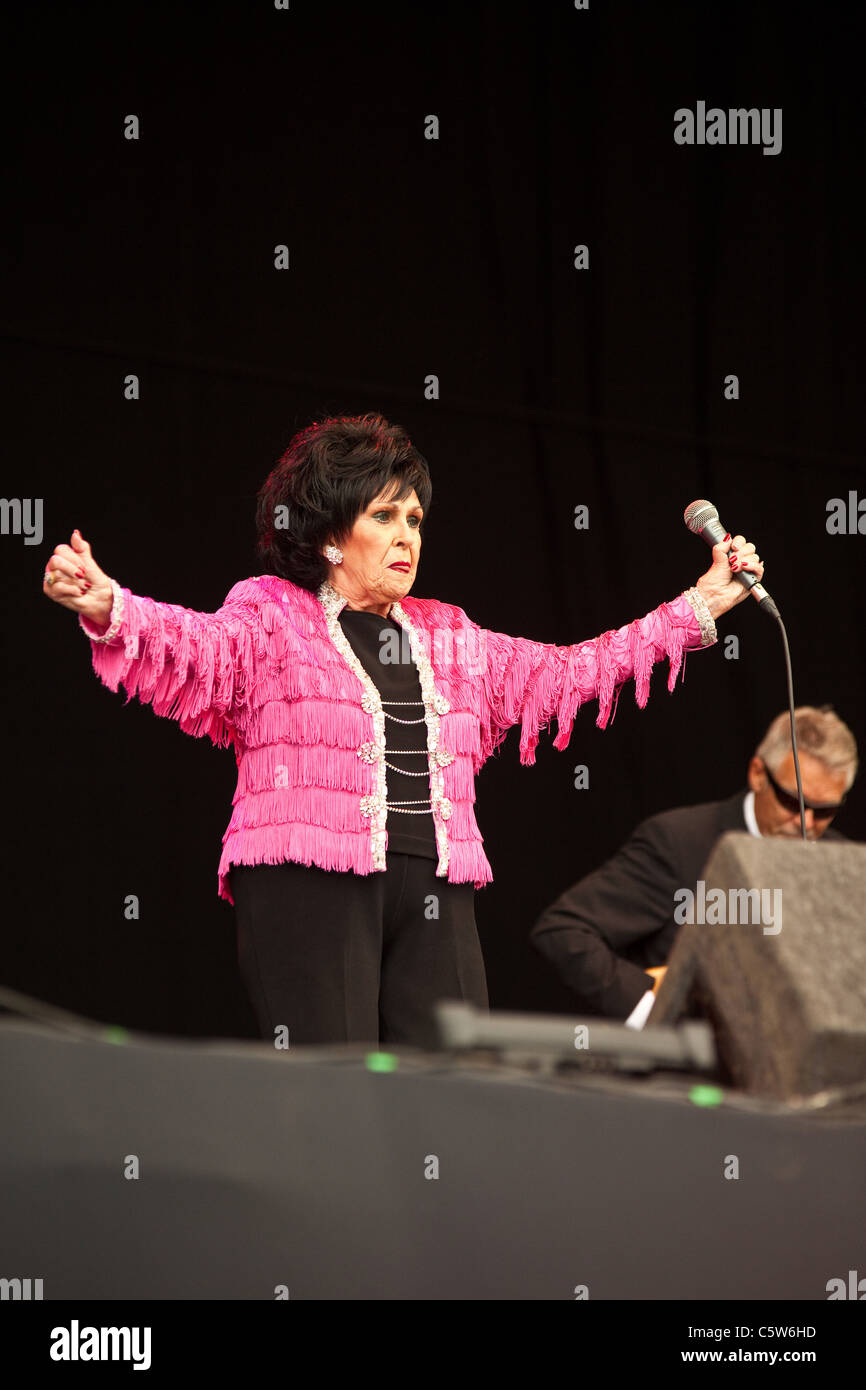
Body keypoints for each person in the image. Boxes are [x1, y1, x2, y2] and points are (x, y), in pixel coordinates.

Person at [42, 411, 765, 1047]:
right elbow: (195, 646)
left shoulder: (449, 634)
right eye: (384, 517)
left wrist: (698, 606)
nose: (406, 537)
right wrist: (111, 605)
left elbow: (575, 671)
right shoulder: (269, 615)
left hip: (435, 886)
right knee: (334, 1097)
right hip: (308, 881)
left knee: (453, 1093)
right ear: (329, 534)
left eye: (415, 519)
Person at [529, 705, 857, 1024]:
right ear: (757, 774)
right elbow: (565, 930)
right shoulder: (678, 843)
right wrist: (653, 1013)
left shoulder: (845, 863)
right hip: (686, 1067)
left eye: (825, 810)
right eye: (793, 801)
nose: (807, 822)